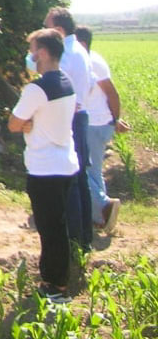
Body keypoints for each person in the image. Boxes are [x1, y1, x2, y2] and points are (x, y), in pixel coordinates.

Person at [8, 28, 79, 302]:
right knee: (57, 227)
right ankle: (53, 279)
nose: (30, 55)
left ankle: (57, 286)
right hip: (65, 164)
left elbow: (14, 123)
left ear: (45, 53)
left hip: (44, 168)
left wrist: (27, 123)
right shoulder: (67, 82)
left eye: (33, 49)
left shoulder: (37, 88)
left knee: (51, 231)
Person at [44, 7, 93, 250]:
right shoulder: (81, 52)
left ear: (59, 30)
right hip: (81, 116)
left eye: (47, 27)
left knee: (71, 179)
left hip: (70, 118)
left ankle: (73, 238)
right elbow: (90, 87)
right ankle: (85, 236)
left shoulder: (66, 54)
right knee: (80, 178)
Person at [74, 25, 124, 235]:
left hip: (93, 125)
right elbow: (112, 95)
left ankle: (104, 207)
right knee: (94, 173)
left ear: (82, 43)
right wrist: (114, 120)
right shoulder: (94, 59)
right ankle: (99, 218)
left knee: (82, 170)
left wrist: (115, 120)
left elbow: (112, 94)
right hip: (101, 124)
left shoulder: (89, 62)